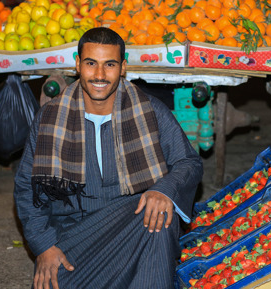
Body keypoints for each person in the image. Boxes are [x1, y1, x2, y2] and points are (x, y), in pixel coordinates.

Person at [14, 27, 203, 289]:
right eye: (91, 63)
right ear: (78, 64)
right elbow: (26, 187)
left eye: (110, 64)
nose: (100, 75)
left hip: (135, 227)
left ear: (123, 67)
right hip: (75, 238)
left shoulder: (150, 111)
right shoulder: (50, 118)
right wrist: (43, 246)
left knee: (158, 213)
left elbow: (188, 163)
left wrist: (165, 190)